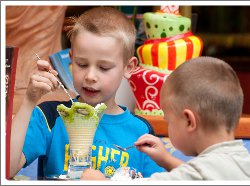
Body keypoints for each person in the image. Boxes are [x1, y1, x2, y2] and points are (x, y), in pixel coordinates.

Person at [10, 6, 164, 179]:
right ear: (71, 60)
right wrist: (29, 101)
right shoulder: (50, 116)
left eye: (103, 67)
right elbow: (7, 169)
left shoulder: (141, 131)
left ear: (128, 67)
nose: (90, 76)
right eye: (82, 64)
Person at [80, 56, 250, 180]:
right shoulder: (245, 162)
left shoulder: (201, 173)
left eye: (168, 119)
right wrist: (167, 160)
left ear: (189, 121)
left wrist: (101, 181)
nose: (168, 125)